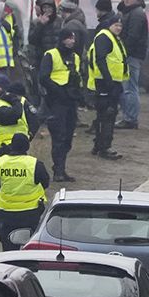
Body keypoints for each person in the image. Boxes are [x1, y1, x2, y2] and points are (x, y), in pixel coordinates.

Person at [0, 133, 52, 251]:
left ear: (11, 146)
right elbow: (45, 183)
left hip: (6, 211)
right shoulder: (34, 164)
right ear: (27, 146)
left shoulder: (1, 162)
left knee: (8, 246)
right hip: (30, 212)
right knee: (30, 244)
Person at [40, 28, 85, 182]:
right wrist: (59, 91)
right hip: (56, 102)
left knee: (67, 138)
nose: (72, 41)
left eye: (73, 38)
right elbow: (43, 78)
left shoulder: (76, 57)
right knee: (58, 137)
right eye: (69, 38)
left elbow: (77, 77)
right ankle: (58, 170)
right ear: (62, 39)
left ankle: (61, 168)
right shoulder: (51, 55)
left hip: (71, 102)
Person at [87, 0, 130, 160]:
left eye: (120, 26)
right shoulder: (104, 38)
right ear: (109, 25)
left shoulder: (112, 37)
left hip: (110, 83)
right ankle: (105, 147)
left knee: (104, 115)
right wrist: (109, 81)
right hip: (104, 83)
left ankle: (99, 145)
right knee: (108, 115)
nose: (118, 28)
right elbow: (100, 59)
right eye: (116, 25)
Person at [116, 0, 149, 129]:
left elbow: (133, 36)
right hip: (132, 54)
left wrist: (123, 52)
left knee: (129, 87)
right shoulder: (132, 12)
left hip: (131, 55)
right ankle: (129, 117)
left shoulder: (136, 14)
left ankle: (130, 118)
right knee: (128, 86)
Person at [27, 0, 62, 66]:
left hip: (58, 57)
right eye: (44, 8)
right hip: (42, 59)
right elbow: (32, 41)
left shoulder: (60, 21)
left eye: (49, 7)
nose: (47, 10)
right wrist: (41, 25)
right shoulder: (36, 22)